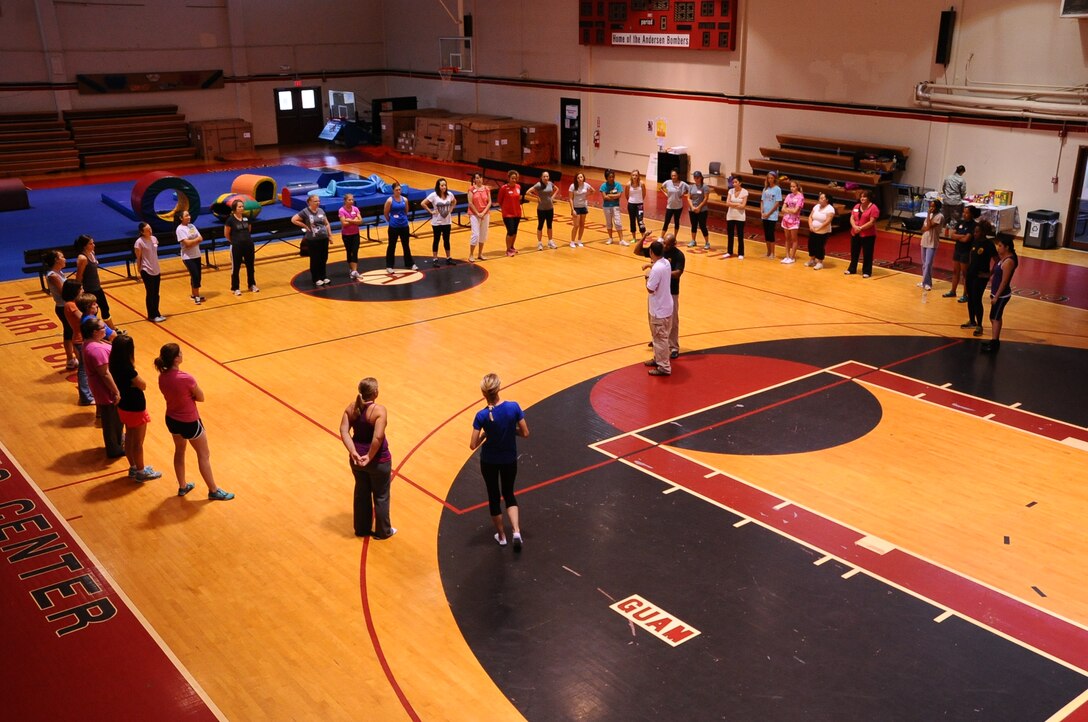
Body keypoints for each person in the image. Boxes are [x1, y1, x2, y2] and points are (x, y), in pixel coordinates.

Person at [153, 343, 234, 500]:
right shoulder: (185, 378)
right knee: (204, 455)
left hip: (171, 419)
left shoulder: (162, 377)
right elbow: (201, 397)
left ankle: (182, 486)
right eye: (180, 353)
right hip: (189, 421)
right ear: (176, 359)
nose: (182, 354)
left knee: (179, 451)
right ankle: (213, 490)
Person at [469, 373, 529, 550]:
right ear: (499, 388)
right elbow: (525, 433)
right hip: (509, 459)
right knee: (509, 494)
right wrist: (512, 431)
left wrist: (486, 435)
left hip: (489, 461)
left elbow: (473, 444)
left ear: (483, 393)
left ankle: (501, 536)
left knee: (494, 496)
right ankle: (516, 531)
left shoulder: (481, 416)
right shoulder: (513, 407)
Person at [339, 377, 395, 539]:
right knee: (381, 495)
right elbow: (377, 438)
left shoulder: (351, 408)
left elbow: (344, 431)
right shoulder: (379, 411)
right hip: (378, 461)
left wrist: (353, 451)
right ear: (375, 392)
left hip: (357, 461)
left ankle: (361, 529)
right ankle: (383, 532)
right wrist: (369, 457)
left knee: (361, 492)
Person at [109, 334, 162, 482]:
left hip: (123, 406)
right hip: (135, 407)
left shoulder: (113, 364)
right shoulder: (128, 369)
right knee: (137, 443)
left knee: (129, 437)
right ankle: (141, 471)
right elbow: (143, 385)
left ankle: (133, 467)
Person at [80, 317, 124, 459]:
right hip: (105, 390)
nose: (105, 329)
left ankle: (118, 442)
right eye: (102, 327)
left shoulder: (92, 343)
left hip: (103, 388)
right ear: (94, 332)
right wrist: (116, 391)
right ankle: (114, 449)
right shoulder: (96, 349)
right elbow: (105, 373)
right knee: (111, 420)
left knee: (113, 418)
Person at [636, 231, 684, 359]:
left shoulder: (679, 255)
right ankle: (657, 340)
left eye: (668, 245)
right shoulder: (660, 251)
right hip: (658, 292)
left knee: (672, 321)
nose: (666, 247)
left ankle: (673, 346)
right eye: (665, 244)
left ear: (674, 244)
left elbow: (678, 273)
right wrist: (643, 238)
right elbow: (637, 251)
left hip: (671, 292)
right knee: (653, 318)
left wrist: (661, 273)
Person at [982, 233, 1018, 353]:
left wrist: (996, 296)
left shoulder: (1008, 262)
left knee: (995, 318)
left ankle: (994, 343)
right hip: (996, 292)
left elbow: (1004, 281)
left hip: (1002, 295)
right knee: (994, 317)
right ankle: (994, 341)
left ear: (1007, 247)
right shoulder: (1003, 258)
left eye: (1000, 246)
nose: (998, 248)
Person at [643, 239, 674, 376]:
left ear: (651, 252)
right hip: (666, 306)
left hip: (658, 310)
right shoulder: (666, 263)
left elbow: (650, 289)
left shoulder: (656, 269)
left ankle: (664, 367)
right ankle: (658, 358)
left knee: (660, 338)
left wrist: (647, 277)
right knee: (660, 337)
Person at [962, 219, 996, 336]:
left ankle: (979, 325)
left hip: (980, 276)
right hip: (971, 274)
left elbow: (997, 262)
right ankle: (972, 321)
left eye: (976, 232)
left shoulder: (989, 245)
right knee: (970, 298)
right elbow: (972, 257)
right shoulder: (974, 242)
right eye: (974, 232)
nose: (974, 234)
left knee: (977, 299)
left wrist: (989, 274)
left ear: (983, 232)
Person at [43, 250, 77, 369]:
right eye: (62, 257)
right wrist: (76, 287)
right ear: (56, 260)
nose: (65, 259)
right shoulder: (53, 276)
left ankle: (72, 358)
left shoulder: (59, 272)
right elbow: (65, 293)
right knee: (69, 332)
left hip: (67, 306)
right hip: (63, 308)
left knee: (71, 332)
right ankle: (70, 359)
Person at [74, 234, 115, 330]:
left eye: (93, 243)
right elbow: (79, 276)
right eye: (91, 244)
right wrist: (79, 291)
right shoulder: (82, 258)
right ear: (84, 246)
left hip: (97, 287)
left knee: (105, 308)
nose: (94, 245)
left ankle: (112, 330)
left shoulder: (92, 253)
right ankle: (91, 331)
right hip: (89, 290)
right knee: (92, 312)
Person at [62, 279, 94, 406]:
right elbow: (84, 318)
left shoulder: (73, 303)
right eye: (81, 289)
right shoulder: (71, 305)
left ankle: (89, 393)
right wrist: (91, 308)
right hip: (80, 340)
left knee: (86, 368)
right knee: (83, 369)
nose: (83, 290)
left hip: (83, 338)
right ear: (74, 291)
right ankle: (85, 396)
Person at [293, 194, 332, 286]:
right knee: (315, 259)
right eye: (315, 201)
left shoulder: (321, 210)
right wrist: (305, 226)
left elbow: (326, 223)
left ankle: (323, 276)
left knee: (324, 258)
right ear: (309, 202)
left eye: (318, 201)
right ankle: (316, 278)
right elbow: (294, 219)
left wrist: (330, 235)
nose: (318, 203)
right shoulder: (305, 212)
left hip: (323, 238)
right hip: (313, 240)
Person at [944, 204, 978, 301]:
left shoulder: (974, 225)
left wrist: (958, 236)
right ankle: (953, 291)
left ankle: (965, 294)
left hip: (966, 252)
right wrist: (961, 236)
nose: (964, 214)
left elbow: (967, 239)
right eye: (964, 212)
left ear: (972, 214)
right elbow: (952, 235)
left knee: (965, 273)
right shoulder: (960, 222)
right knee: (955, 271)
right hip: (957, 250)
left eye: (967, 213)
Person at [225, 199, 258, 296]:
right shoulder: (230, 220)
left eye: (242, 206)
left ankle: (251, 284)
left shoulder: (246, 218)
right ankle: (235, 288)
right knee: (236, 268)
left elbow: (249, 229)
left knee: (250, 266)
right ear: (234, 209)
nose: (242, 208)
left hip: (248, 245)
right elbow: (226, 234)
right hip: (236, 247)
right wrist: (235, 241)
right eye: (239, 206)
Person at [134, 222, 165, 322]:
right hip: (146, 269)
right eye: (147, 230)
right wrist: (139, 269)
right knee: (150, 292)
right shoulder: (139, 242)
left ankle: (157, 312)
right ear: (142, 232)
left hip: (156, 268)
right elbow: (138, 258)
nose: (150, 231)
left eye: (150, 229)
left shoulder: (154, 239)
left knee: (156, 293)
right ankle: (151, 315)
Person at [844, 190, 879, 278]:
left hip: (868, 235)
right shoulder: (856, 206)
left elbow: (872, 222)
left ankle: (867, 271)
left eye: (864, 197)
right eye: (861, 197)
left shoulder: (874, 208)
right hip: (855, 233)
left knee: (867, 253)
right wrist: (854, 226)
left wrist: (861, 228)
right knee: (854, 252)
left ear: (869, 198)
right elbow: (852, 217)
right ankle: (852, 269)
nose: (862, 198)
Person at [384, 182, 416, 274]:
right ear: (393, 191)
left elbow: (406, 210)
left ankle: (410, 263)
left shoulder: (404, 199)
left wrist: (403, 219)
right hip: (393, 226)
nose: (398, 191)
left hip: (404, 226)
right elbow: (386, 213)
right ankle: (389, 266)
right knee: (392, 246)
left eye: (399, 189)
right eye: (396, 190)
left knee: (406, 245)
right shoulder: (390, 200)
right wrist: (391, 221)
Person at [422, 178, 455, 266]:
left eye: (445, 185)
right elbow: (423, 203)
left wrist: (451, 209)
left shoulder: (450, 194)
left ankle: (448, 258)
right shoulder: (433, 195)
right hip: (437, 222)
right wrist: (431, 212)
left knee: (446, 240)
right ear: (438, 186)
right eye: (442, 185)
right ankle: (435, 259)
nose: (444, 187)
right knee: (436, 239)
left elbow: (454, 201)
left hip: (447, 221)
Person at [175, 210, 205, 304]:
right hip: (188, 257)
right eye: (186, 216)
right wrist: (195, 240)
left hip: (197, 254)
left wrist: (193, 241)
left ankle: (194, 294)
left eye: (189, 215)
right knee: (195, 275)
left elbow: (201, 238)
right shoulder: (180, 229)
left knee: (197, 276)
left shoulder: (192, 226)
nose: (189, 217)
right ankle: (196, 296)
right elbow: (187, 244)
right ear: (181, 218)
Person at [526, 170, 559, 251]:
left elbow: (556, 189)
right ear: (541, 177)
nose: (546, 178)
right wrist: (537, 197)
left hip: (550, 208)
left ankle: (550, 241)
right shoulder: (539, 185)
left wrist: (552, 197)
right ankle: (539, 243)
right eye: (544, 176)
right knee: (540, 225)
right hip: (541, 209)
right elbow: (528, 192)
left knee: (549, 225)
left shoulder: (550, 183)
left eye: (547, 176)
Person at [918, 199, 944, 290]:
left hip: (932, 242)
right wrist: (926, 226)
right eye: (930, 206)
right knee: (924, 263)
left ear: (937, 207)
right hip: (924, 240)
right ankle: (924, 281)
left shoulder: (939, 216)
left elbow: (929, 226)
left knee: (928, 263)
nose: (931, 208)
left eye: (933, 206)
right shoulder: (929, 216)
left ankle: (928, 283)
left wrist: (928, 214)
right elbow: (922, 228)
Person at [806, 192, 835, 270]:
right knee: (811, 245)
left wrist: (818, 229)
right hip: (813, 230)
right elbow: (810, 217)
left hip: (823, 231)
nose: (820, 199)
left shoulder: (830, 209)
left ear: (827, 200)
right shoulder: (816, 206)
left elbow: (827, 221)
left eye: (822, 198)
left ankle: (820, 262)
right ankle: (812, 259)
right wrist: (811, 226)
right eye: (820, 198)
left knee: (819, 246)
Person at [599, 169, 628, 246]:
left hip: (615, 206)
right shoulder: (603, 186)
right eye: (610, 177)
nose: (612, 178)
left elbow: (619, 195)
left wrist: (609, 195)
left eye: (613, 177)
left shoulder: (618, 185)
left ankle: (621, 239)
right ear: (606, 178)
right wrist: (613, 197)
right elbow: (604, 197)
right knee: (609, 222)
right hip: (606, 207)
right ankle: (610, 238)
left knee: (618, 222)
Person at [467, 172, 492, 261]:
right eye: (476, 178)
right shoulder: (471, 189)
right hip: (474, 214)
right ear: (474, 180)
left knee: (483, 234)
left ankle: (480, 254)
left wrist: (484, 212)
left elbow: (489, 202)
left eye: (480, 177)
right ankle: (471, 255)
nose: (479, 179)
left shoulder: (486, 189)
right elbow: (470, 203)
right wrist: (478, 213)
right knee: (475, 234)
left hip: (485, 214)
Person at [338, 193, 363, 279]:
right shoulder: (341, 210)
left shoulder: (355, 209)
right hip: (346, 235)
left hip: (355, 234)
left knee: (355, 251)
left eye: (352, 200)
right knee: (350, 251)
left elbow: (360, 221)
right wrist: (354, 220)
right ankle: (352, 270)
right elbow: (344, 224)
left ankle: (354, 271)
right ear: (345, 201)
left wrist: (349, 220)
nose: (351, 201)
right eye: (349, 200)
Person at [499, 170, 523, 256]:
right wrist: (505, 209)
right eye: (512, 178)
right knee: (510, 231)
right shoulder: (504, 188)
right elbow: (500, 200)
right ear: (508, 178)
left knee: (515, 231)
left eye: (515, 178)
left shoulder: (518, 187)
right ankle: (508, 250)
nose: (514, 180)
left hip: (517, 213)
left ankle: (512, 247)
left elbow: (518, 199)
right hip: (507, 214)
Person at [723, 176, 748, 259]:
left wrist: (732, 204)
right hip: (730, 216)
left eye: (736, 182)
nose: (734, 184)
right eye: (733, 182)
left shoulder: (744, 192)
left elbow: (743, 206)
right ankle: (729, 252)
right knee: (730, 235)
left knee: (740, 235)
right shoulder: (730, 191)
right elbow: (727, 203)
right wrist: (737, 204)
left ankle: (741, 253)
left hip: (740, 217)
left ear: (740, 183)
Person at [780, 181, 804, 264]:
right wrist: (790, 210)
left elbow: (796, 211)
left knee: (794, 239)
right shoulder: (788, 196)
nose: (792, 188)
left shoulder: (800, 197)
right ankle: (787, 256)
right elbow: (782, 209)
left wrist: (788, 210)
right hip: (786, 219)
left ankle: (792, 257)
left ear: (797, 187)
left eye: (794, 186)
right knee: (787, 238)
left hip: (794, 221)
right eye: (791, 186)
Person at [760, 172, 782, 259]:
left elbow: (777, 203)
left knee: (771, 233)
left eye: (771, 178)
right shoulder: (765, 189)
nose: (770, 180)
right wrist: (762, 211)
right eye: (768, 178)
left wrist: (769, 213)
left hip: (772, 215)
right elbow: (762, 201)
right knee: (766, 234)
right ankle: (768, 252)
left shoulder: (777, 189)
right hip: (764, 214)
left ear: (774, 179)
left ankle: (773, 253)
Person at [568, 172, 593, 248]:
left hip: (583, 207)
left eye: (581, 177)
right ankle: (572, 241)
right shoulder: (572, 186)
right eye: (578, 178)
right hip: (576, 207)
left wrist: (586, 195)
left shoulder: (586, 185)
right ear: (576, 179)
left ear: (583, 178)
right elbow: (570, 199)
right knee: (576, 225)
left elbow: (593, 191)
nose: (580, 179)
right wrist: (572, 209)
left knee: (582, 225)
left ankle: (579, 240)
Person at [687, 171, 710, 250]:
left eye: (698, 178)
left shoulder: (705, 187)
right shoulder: (691, 187)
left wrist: (699, 207)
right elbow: (689, 198)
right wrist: (692, 207)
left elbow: (706, 198)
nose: (696, 179)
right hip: (692, 209)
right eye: (695, 178)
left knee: (702, 226)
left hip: (702, 210)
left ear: (701, 178)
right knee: (693, 225)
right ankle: (693, 240)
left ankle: (707, 242)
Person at [660, 168, 688, 235]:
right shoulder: (667, 182)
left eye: (675, 175)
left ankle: (675, 237)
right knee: (666, 222)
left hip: (678, 207)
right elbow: (661, 187)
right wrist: (666, 193)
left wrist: (684, 193)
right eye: (672, 175)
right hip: (669, 206)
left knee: (676, 222)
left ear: (677, 175)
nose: (673, 177)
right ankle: (661, 237)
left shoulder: (682, 184)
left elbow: (689, 189)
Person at [941, 165, 967, 237]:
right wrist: (961, 197)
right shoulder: (961, 180)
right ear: (962, 172)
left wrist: (947, 195)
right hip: (956, 202)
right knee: (954, 220)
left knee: (944, 218)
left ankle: (941, 233)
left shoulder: (948, 178)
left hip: (946, 201)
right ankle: (950, 235)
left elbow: (943, 188)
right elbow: (963, 191)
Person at [625, 169, 647, 237]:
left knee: (640, 220)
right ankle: (633, 237)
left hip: (639, 205)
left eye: (636, 175)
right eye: (633, 175)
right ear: (631, 176)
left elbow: (644, 193)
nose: (634, 177)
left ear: (638, 176)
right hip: (631, 204)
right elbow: (626, 194)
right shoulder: (628, 184)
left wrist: (640, 200)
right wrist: (631, 201)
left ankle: (643, 237)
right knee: (632, 220)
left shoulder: (642, 184)